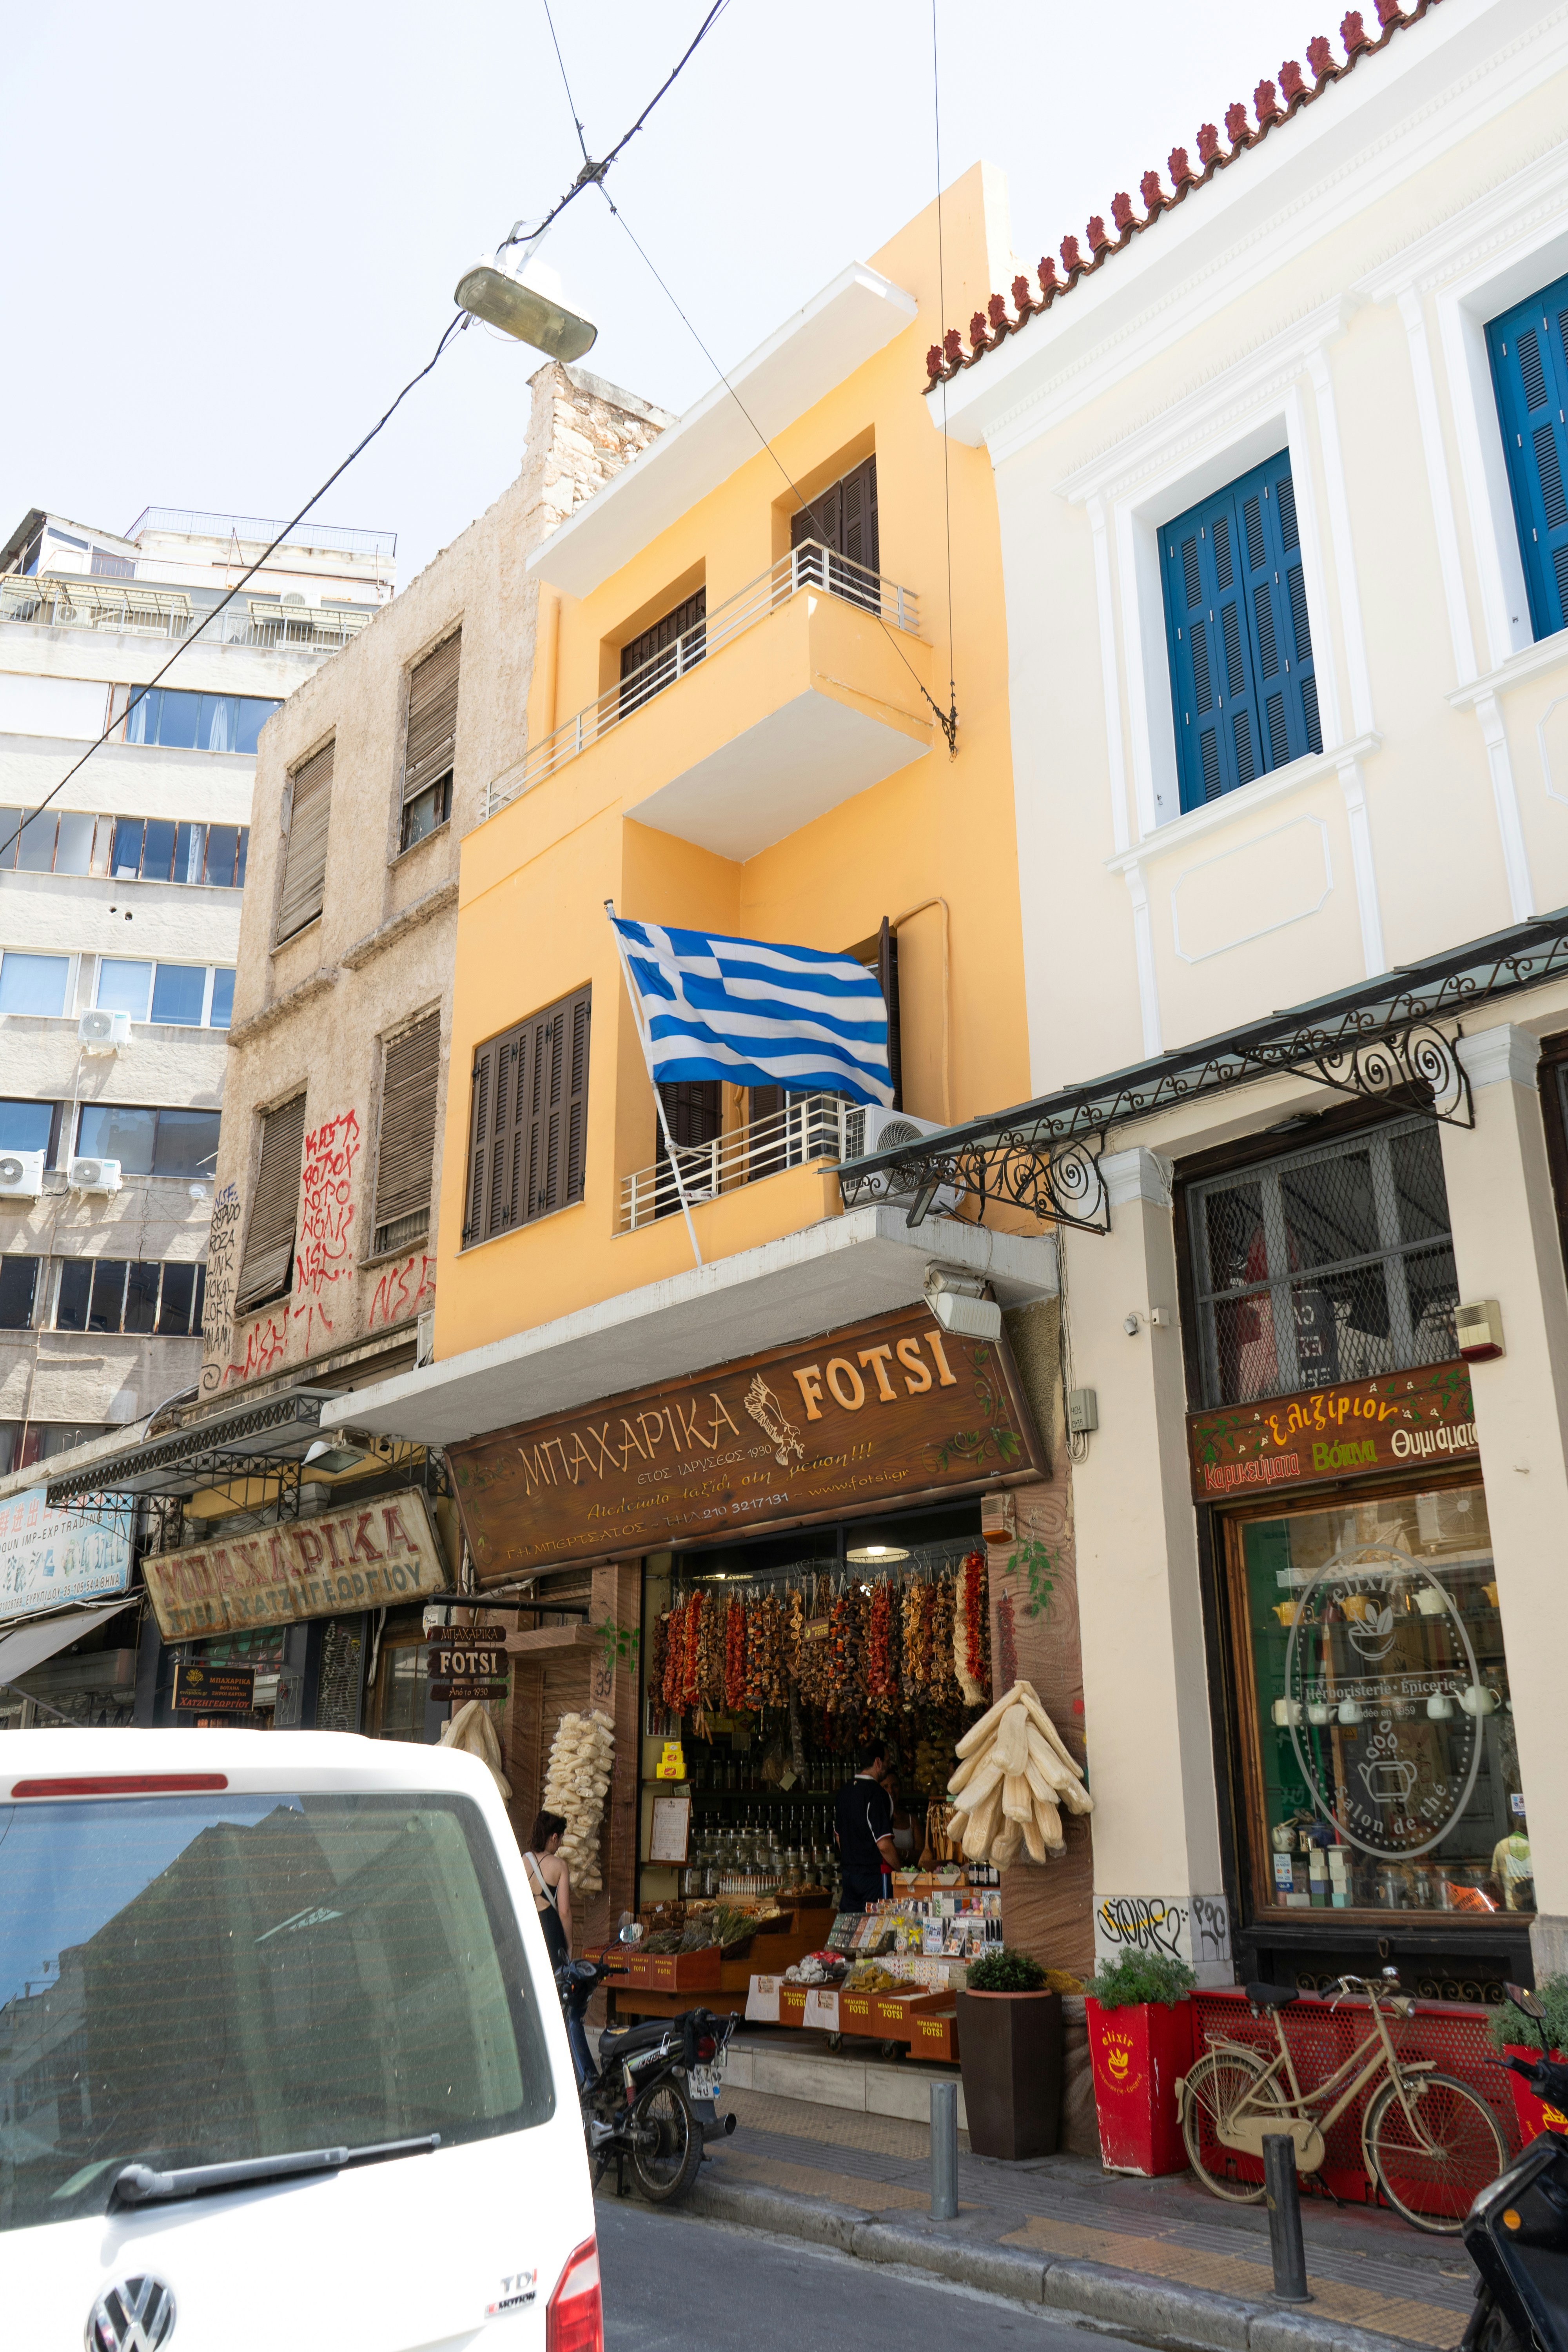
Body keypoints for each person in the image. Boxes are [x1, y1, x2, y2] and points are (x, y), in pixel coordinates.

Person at [834, 1740, 898, 1916]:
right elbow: (884, 1845)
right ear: (878, 1763)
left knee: (854, 1930)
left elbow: (839, 1838)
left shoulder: (844, 1793)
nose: (889, 1764)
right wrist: (901, 1871)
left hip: (849, 1877)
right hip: (875, 1878)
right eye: (888, 1760)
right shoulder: (878, 1794)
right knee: (880, 1927)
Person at [523, 1809, 573, 1973]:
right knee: (555, 1981)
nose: (559, 1844)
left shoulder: (524, 1859)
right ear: (554, 1837)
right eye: (560, 1839)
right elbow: (564, 1911)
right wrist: (570, 1945)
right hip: (551, 1930)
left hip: (528, 1926)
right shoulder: (560, 1866)